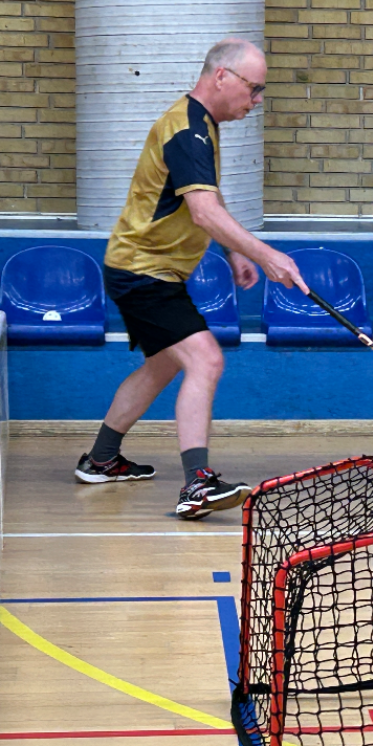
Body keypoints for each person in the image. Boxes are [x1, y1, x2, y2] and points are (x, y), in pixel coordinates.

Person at [74, 38, 309, 520]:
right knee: (205, 359)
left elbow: (204, 199)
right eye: (254, 88)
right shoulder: (189, 131)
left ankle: (101, 457)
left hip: (150, 268)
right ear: (221, 77)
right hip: (143, 270)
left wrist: (232, 249)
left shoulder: (202, 125)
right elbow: (203, 211)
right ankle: (197, 484)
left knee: (164, 363)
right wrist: (265, 255)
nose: (257, 100)